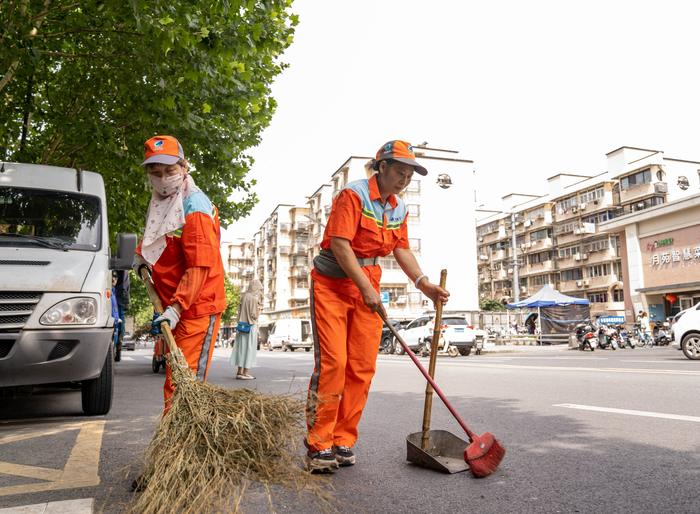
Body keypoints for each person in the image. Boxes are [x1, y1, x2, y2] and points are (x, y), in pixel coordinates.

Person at [305, 140, 449, 473]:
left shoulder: (398, 207)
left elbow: (401, 249)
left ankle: (343, 439)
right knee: (334, 364)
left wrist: (423, 283)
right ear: (381, 167)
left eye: (410, 174)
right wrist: (364, 286)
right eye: (400, 171)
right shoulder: (352, 195)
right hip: (332, 285)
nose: (404, 179)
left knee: (361, 366)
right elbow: (340, 245)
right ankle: (318, 443)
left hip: (367, 284)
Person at [133, 135, 227, 411]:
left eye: (170, 170)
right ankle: (175, 446)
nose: (163, 178)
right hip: (176, 303)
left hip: (196, 306)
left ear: (184, 167)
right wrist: (142, 258)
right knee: (176, 384)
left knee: (186, 387)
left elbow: (200, 265)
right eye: (155, 172)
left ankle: (188, 451)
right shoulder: (164, 201)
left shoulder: (194, 207)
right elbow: (161, 241)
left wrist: (176, 308)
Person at [230, 279, 263, 379]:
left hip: (241, 327)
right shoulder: (254, 299)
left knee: (241, 349)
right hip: (250, 327)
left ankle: (239, 372)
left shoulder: (244, 297)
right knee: (249, 349)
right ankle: (245, 373)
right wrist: (260, 309)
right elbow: (254, 315)